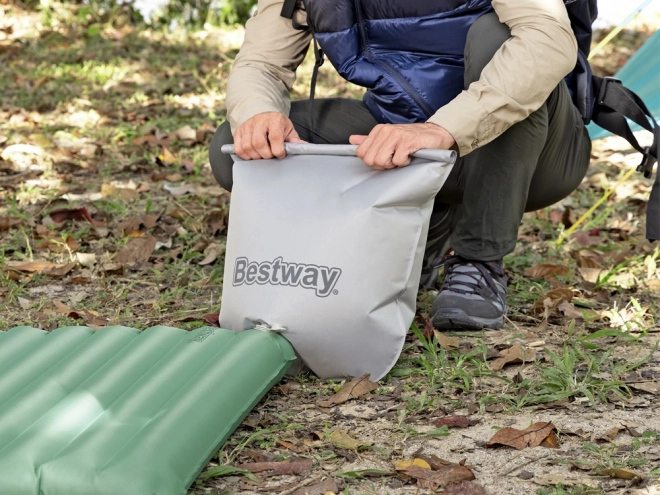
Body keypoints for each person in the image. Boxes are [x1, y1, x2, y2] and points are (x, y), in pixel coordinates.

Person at [209, 0, 593, 331]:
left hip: (538, 153)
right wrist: (259, 113)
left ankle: (479, 262)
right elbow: (262, 63)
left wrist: (442, 129)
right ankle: (426, 227)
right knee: (238, 147)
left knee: (498, 36)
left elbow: (547, 40)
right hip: (407, 133)